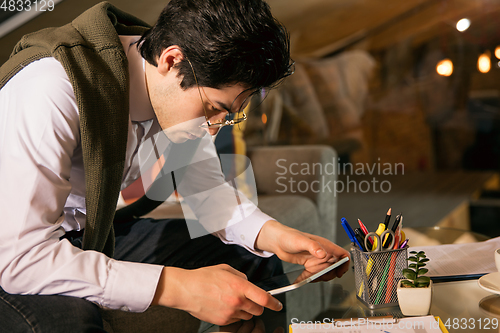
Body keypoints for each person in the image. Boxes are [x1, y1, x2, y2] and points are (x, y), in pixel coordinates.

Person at [0, 0, 350, 331]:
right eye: (213, 108)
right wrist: (181, 287)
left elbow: (208, 194)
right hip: (18, 250)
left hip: (87, 235)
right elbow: (22, 256)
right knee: (67, 321)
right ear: (171, 60)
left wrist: (276, 237)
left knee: (253, 264)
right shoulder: (52, 89)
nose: (213, 129)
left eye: (225, 116)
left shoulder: (171, 89)